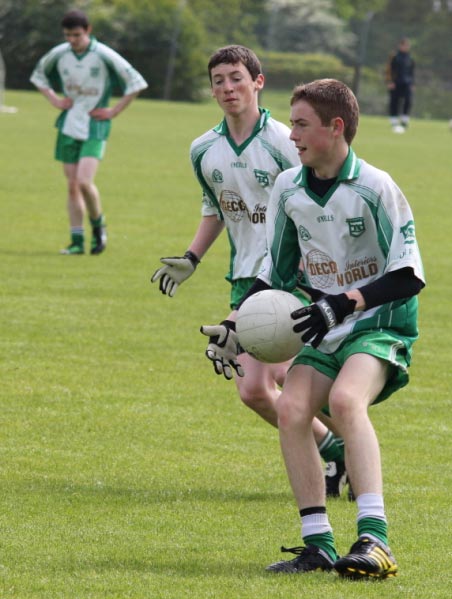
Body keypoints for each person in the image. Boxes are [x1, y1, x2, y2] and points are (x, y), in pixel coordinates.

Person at [201, 78, 424, 579]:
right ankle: (317, 545)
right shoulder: (289, 188)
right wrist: (235, 324)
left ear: (335, 127)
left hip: (379, 324)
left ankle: (375, 540)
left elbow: (409, 274)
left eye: (301, 124)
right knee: (294, 409)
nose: (292, 135)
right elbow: (274, 276)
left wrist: (344, 302)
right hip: (326, 327)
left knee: (345, 402)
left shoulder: (374, 187)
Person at [151, 45, 349, 497]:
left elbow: (318, 202)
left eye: (236, 77)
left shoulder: (285, 141)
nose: (227, 88)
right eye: (218, 80)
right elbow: (216, 207)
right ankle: (338, 450)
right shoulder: (203, 148)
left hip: (292, 276)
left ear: (257, 82)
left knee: (285, 378)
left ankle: (350, 448)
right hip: (246, 277)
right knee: (256, 392)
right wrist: (192, 257)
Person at [30, 9, 148, 255]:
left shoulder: (103, 55)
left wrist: (114, 111)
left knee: (84, 182)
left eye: (76, 35)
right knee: (72, 186)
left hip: (95, 124)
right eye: (67, 35)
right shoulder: (60, 54)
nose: (72, 40)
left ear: (88, 31)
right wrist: (54, 99)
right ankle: (76, 241)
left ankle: (98, 227)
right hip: (68, 123)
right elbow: (39, 76)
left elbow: (136, 82)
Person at [386, 37, 415, 133]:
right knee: (394, 102)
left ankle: (404, 120)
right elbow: (389, 70)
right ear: (400, 45)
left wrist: (412, 83)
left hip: (406, 83)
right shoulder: (394, 56)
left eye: (407, 45)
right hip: (395, 83)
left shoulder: (410, 57)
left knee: (408, 101)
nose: (406, 47)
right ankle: (393, 121)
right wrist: (390, 81)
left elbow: (411, 71)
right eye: (404, 45)